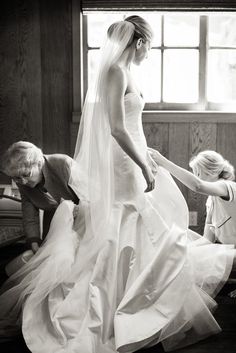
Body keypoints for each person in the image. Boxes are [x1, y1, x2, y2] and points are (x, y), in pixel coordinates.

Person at [0, 16, 236, 353]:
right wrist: (144, 166)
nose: (148, 53)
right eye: (149, 47)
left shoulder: (125, 72)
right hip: (125, 161)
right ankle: (122, 297)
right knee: (127, 220)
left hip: (134, 155)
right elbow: (117, 128)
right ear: (139, 42)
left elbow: (130, 125)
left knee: (140, 223)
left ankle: (141, 288)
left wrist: (147, 156)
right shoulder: (115, 71)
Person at [1, 141, 79, 253]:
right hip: (54, 223)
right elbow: (30, 214)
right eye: (17, 178)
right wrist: (34, 241)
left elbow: (90, 196)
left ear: (38, 163)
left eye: (26, 174)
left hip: (85, 217)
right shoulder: (21, 180)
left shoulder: (62, 163)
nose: (22, 181)